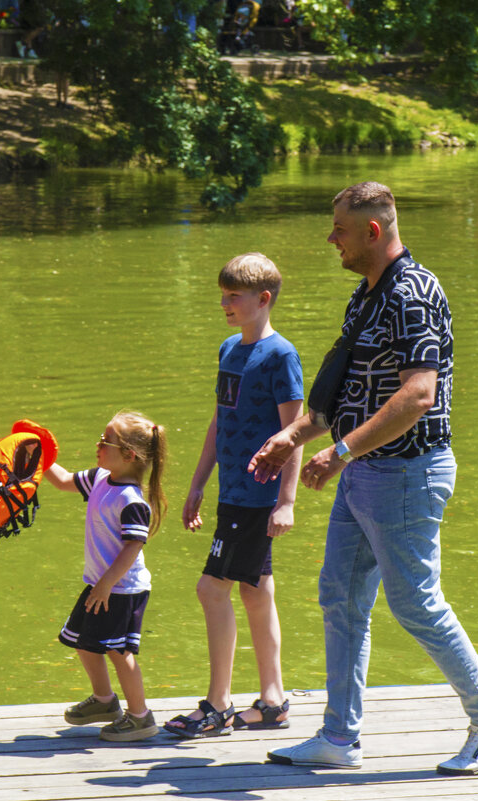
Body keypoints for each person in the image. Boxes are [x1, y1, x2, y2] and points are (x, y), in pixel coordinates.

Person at [249, 182, 478, 775]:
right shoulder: (364, 297)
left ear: (373, 231)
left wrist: (340, 451)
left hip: (405, 473)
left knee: (416, 604)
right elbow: (341, 390)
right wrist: (292, 437)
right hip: (365, 474)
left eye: (340, 230)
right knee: (340, 599)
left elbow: (418, 396)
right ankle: (339, 737)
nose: (331, 240)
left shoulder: (414, 294)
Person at [164, 253, 304, 739]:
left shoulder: (281, 355)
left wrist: (286, 501)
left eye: (234, 296)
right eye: (222, 295)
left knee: (211, 588)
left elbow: (295, 432)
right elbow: (219, 421)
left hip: (260, 496)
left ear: (263, 300)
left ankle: (218, 706)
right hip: (231, 493)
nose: (224, 303)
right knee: (254, 591)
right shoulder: (229, 349)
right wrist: (199, 482)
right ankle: (272, 701)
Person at [42, 411, 167, 742]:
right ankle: (104, 702)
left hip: (121, 589)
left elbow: (132, 547)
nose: (98, 445)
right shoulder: (100, 478)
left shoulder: (132, 500)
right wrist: (39, 453)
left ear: (129, 455)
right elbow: (63, 480)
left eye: (105, 441)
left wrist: (107, 584)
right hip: (100, 585)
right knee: (83, 642)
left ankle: (141, 717)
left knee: (117, 650)